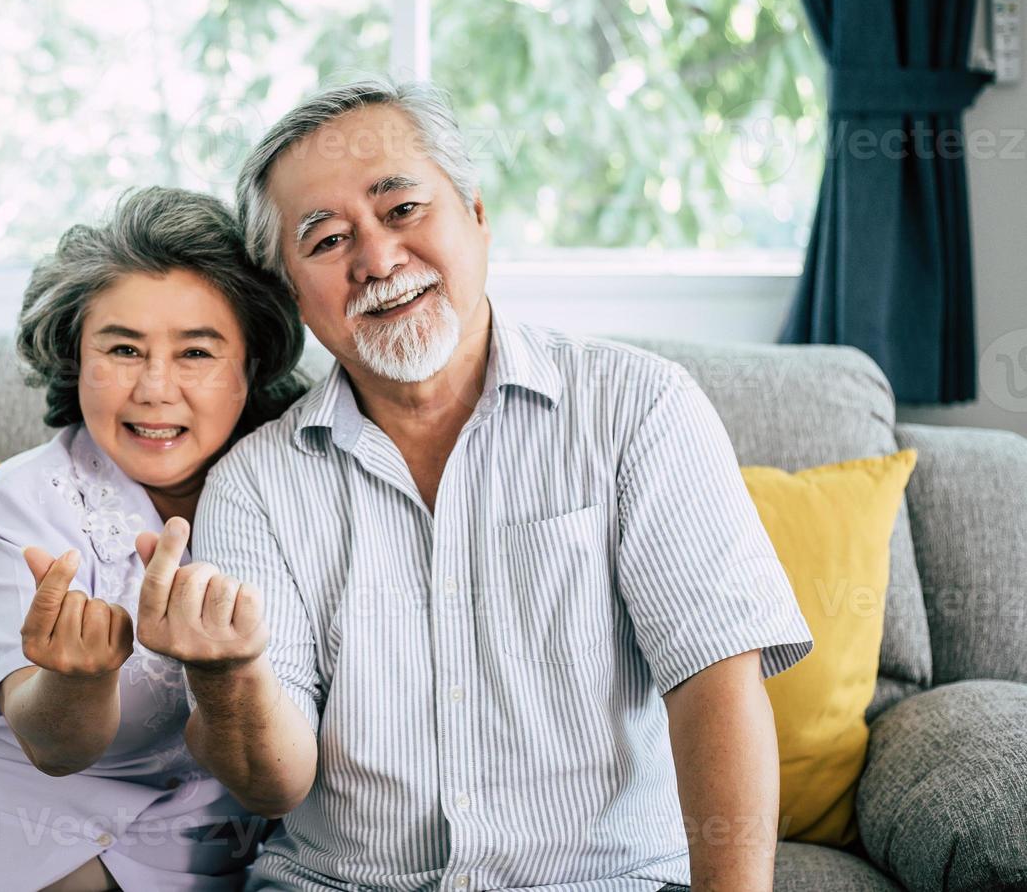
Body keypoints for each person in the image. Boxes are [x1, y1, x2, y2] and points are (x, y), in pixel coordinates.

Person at [149, 79, 816, 892]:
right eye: (325, 241)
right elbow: (271, 784)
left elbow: (715, 685)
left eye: (402, 210)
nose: (377, 260)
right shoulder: (255, 482)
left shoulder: (640, 407)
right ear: (292, 291)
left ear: (476, 213)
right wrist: (225, 679)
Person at [0, 186, 307, 892]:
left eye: (196, 353)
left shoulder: (298, 493)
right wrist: (79, 678)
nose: (155, 389)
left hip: (183, 832)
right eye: (123, 349)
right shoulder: (18, 501)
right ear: (74, 357)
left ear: (251, 366)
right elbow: (51, 745)